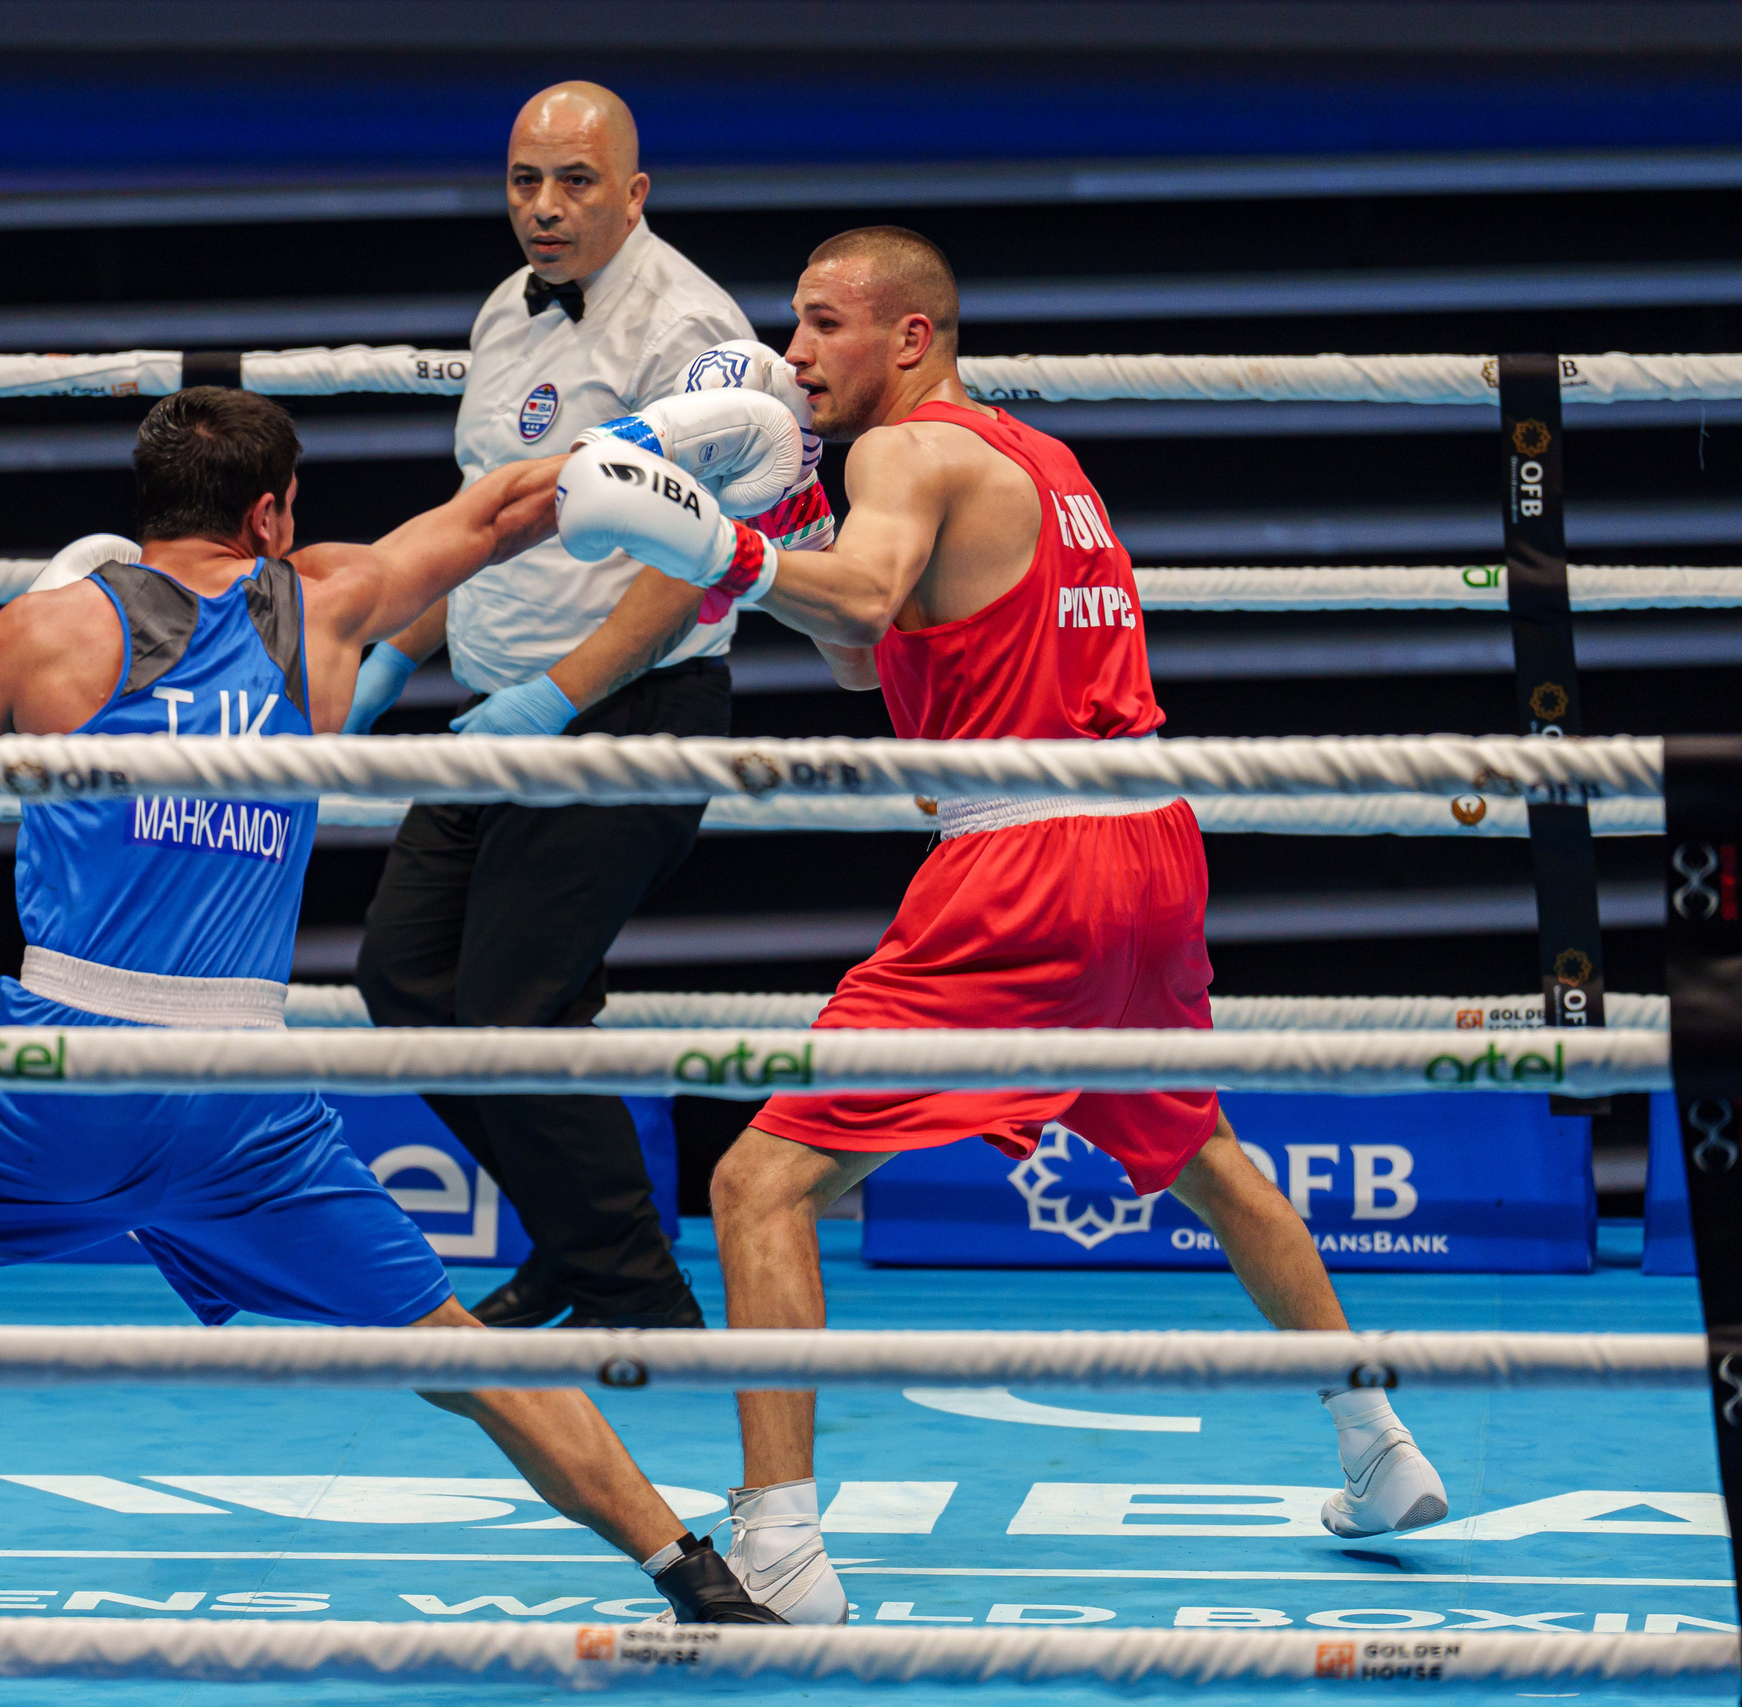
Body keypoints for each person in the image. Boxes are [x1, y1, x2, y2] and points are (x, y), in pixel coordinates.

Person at [0, 386, 782, 1626]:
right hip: (242, 1090)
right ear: (268, 514)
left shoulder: (41, 636)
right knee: (458, 1352)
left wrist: (4, 696)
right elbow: (513, 506)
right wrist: (659, 440)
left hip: (61, 1069)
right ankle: (693, 1574)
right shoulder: (329, 607)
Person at [553, 226, 1452, 1625]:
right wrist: (773, 538)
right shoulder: (1042, 457)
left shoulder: (900, 455)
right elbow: (868, 652)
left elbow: (858, 597)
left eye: (824, 324)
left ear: (911, 337)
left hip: (1024, 861)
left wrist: (716, 542)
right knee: (1199, 1147)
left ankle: (781, 1546)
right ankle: (1377, 1444)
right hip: (1146, 848)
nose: (794, 355)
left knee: (757, 1185)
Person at [347, 81, 765, 1333]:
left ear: (634, 192)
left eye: (574, 181)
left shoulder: (693, 333)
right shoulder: (503, 310)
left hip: (629, 712)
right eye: (525, 179)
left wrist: (555, 696)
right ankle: (583, 1250)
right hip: (498, 709)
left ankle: (633, 1297)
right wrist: (389, 653)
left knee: (515, 1008)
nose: (543, 206)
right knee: (405, 979)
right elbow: (489, 523)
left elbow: (690, 558)